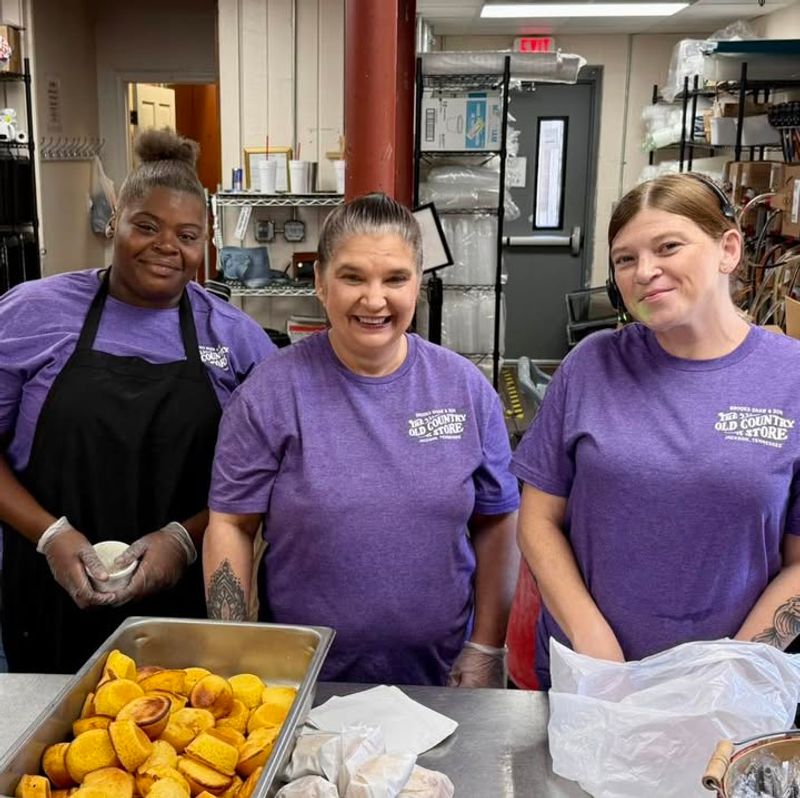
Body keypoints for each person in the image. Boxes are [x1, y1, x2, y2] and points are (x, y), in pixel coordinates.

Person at [204, 192, 520, 686]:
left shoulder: (465, 390)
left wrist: (486, 647)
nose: (374, 300)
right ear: (320, 281)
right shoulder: (269, 393)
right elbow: (231, 524)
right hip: (300, 677)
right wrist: (235, 650)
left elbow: (497, 522)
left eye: (395, 278)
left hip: (442, 678)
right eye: (352, 277)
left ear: (418, 281)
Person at [0, 129, 275, 673]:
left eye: (187, 235)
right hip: (43, 597)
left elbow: (268, 473)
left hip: (182, 605)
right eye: (146, 226)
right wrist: (50, 535)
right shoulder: (31, 313)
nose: (167, 246)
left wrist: (183, 540)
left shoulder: (235, 339)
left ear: (205, 244)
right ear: (114, 223)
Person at [512, 172, 800, 690]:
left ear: (728, 249)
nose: (645, 272)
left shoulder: (790, 378)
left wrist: (735, 668)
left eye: (668, 247)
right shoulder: (591, 366)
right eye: (625, 259)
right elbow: (538, 521)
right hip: (593, 677)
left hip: (732, 689)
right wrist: (592, 641)